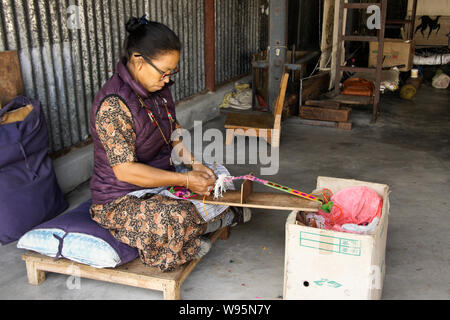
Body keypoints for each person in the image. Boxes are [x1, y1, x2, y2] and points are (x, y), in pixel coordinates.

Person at [89, 15, 249, 272]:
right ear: (138, 61)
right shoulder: (114, 104)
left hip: (162, 182)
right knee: (176, 218)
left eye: (171, 72)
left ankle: (203, 225)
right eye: (164, 72)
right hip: (119, 199)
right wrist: (185, 181)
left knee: (220, 179)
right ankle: (210, 224)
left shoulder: (159, 90)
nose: (167, 79)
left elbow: (173, 134)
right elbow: (125, 170)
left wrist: (195, 166)